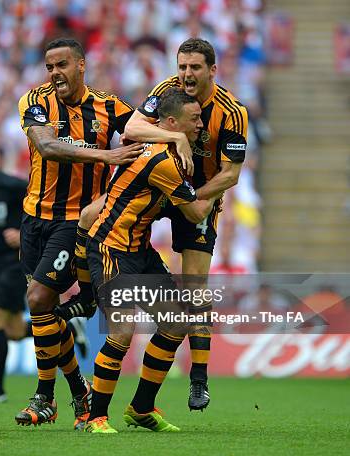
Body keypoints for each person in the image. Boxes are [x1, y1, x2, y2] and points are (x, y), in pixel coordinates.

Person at [58, 38, 249, 411]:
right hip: (158, 184)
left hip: (197, 193)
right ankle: (85, 295)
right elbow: (132, 127)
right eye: (182, 66)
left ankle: (199, 379)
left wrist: (196, 197)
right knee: (89, 216)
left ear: (212, 70)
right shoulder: (167, 92)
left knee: (194, 290)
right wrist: (174, 136)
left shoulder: (232, 112)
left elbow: (231, 174)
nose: (186, 74)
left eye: (195, 67)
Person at [14, 37, 145, 429]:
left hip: (74, 224)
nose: (54, 73)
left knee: (38, 298)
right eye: (49, 67)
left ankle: (44, 395)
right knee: (47, 312)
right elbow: (47, 146)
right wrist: (107, 155)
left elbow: (143, 132)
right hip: (33, 219)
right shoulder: (34, 101)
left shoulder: (109, 106)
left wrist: (171, 139)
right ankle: (79, 392)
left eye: (62, 65)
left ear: (81, 65)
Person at [84, 88, 219, 434]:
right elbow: (196, 211)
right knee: (122, 332)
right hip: (111, 249)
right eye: (195, 119)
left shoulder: (165, 150)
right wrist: (226, 179)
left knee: (175, 322)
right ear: (171, 123)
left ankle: (141, 408)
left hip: (139, 251)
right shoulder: (162, 160)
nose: (201, 124)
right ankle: (94, 416)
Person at [0, 136, 89, 403]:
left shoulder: (12, 186)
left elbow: (39, 213)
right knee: (13, 331)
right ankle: (68, 324)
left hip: (16, 261)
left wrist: (22, 234)